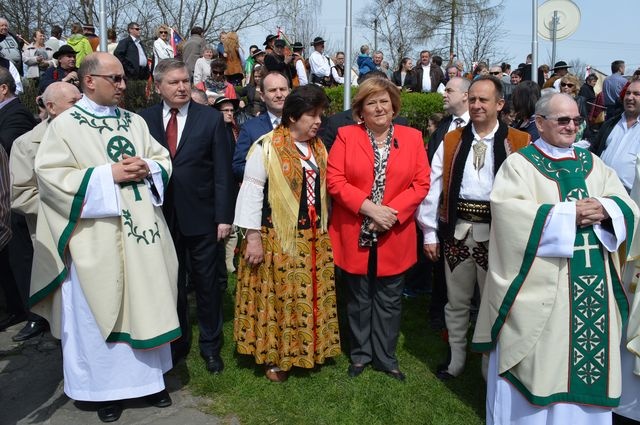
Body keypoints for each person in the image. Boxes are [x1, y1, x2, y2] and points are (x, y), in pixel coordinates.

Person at [29, 52, 179, 423]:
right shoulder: (64, 127)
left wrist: (150, 167)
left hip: (141, 236)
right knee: (98, 313)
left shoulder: (134, 122)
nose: (124, 85)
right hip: (93, 240)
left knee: (148, 302)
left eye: (123, 78)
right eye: (115, 79)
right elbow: (51, 179)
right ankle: (101, 392)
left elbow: (162, 159)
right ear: (89, 81)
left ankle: (149, 383)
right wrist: (107, 175)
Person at [472, 92, 638, 425]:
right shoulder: (520, 165)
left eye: (576, 120)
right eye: (563, 120)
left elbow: (628, 207)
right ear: (540, 123)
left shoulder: (594, 165)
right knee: (540, 366)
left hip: (593, 291)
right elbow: (508, 216)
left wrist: (606, 209)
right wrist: (567, 215)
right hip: (542, 288)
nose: (571, 127)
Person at [416, 76, 530, 380]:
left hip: (499, 236)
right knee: (456, 301)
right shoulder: (452, 140)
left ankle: (487, 364)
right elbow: (432, 186)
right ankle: (456, 359)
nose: (477, 105)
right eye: (474, 99)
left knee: (494, 302)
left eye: (484, 100)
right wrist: (429, 231)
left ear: (499, 104)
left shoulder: (520, 141)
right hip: (457, 232)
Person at [233, 84, 340, 382]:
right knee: (280, 298)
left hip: (312, 236)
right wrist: (252, 237)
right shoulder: (267, 146)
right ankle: (277, 358)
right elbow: (252, 193)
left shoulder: (318, 147)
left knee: (307, 295)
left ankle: (309, 351)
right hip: (276, 236)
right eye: (312, 115)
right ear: (292, 117)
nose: (318, 121)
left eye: (321, 114)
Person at [327, 77, 430, 381]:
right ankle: (360, 355)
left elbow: (420, 183)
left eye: (384, 100)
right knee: (358, 296)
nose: (379, 107)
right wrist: (370, 209)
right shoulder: (346, 136)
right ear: (361, 109)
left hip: (394, 231)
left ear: (394, 105)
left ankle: (386, 357)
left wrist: (390, 215)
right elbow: (335, 181)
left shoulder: (412, 137)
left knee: (389, 297)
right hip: (355, 227)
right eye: (371, 102)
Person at [139, 58, 234, 373]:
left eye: (186, 81)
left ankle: (211, 346)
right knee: (170, 284)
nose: (182, 87)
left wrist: (223, 217)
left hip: (203, 218)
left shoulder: (210, 120)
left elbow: (222, 172)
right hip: (159, 218)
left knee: (207, 285)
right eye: (174, 82)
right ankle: (176, 345)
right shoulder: (143, 120)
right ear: (158, 86)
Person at [9, 82, 82, 343]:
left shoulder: (90, 134)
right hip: (53, 239)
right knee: (65, 315)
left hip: (91, 236)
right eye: (74, 102)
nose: (82, 105)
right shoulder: (26, 144)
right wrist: (68, 207)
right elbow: (20, 195)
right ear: (51, 107)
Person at [232, 71, 290, 181]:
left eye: (282, 89)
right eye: (272, 90)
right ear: (262, 96)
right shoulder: (250, 128)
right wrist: (267, 170)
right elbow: (238, 168)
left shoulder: (300, 124)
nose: (279, 95)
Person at [593, 80, 640, 192]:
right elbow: (594, 149)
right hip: (601, 189)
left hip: (631, 196)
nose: (629, 97)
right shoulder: (611, 123)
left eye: (636, 94)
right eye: (628, 93)